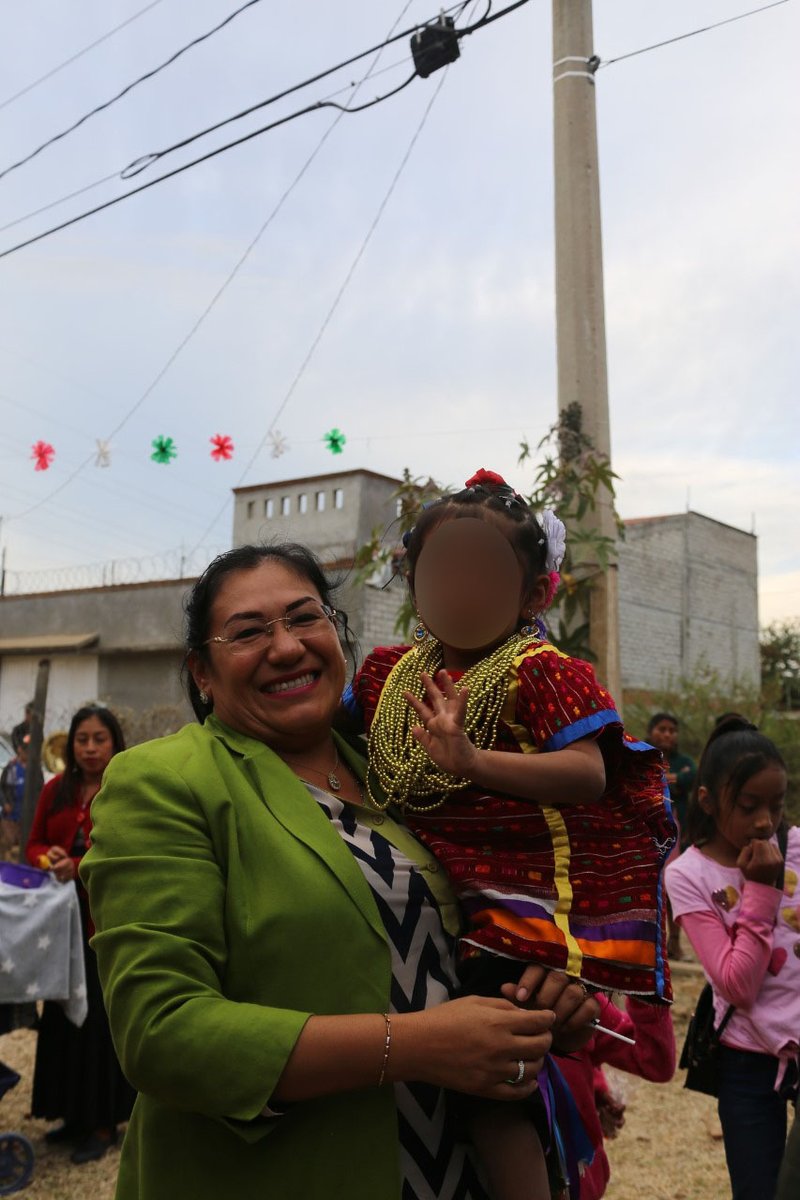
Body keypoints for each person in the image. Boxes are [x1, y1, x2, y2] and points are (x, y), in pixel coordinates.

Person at [80, 543, 598, 1200]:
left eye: (304, 618)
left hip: (458, 1171)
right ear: (201, 673)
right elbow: (161, 1033)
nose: (287, 647)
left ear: (337, 633)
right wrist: (414, 1045)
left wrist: (545, 1001)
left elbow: (478, 933)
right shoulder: (165, 781)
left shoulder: (409, 770)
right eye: (248, 632)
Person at [343, 469, 676, 1200]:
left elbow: (588, 773)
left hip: (516, 914)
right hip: (429, 895)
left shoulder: (544, 672)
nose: (460, 587)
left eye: (484, 572)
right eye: (442, 570)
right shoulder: (386, 675)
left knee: (494, 1092)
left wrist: (471, 761)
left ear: (533, 595)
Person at [665, 715, 798, 1200]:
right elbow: (736, 984)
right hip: (746, 1060)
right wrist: (762, 891)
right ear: (707, 800)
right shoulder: (688, 876)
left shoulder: (798, 847)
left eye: (777, 805)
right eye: (748, 806)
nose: (766, 821)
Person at [25, 704, 135, 1164]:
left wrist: (82, 868)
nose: (90, 748)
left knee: (98, 1025)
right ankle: (71, 1113)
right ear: (71, 745)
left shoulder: (128, 788)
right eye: (82, 739)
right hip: (60, 932)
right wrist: (50, 861)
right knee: (62, 1022)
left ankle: (104, 1122)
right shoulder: (56, 790)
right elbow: (32, 845)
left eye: (99, 739)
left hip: (103, 927)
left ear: (114, 743)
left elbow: (129, 851)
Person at [552, 993, 675, 1199]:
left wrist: (647, 987)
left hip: (582, 1182)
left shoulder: (576, 990)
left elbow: (654, 1060)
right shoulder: (485, 993)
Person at [646, 712, 697, 959]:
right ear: (651, 731)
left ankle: (674, 943)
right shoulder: (642, 755)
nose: (667, 734)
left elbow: (693, 778)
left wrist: (675, 778)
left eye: (672, 730)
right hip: (648, 833)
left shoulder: (684, 760)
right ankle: (652, 943)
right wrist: (674, 779)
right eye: (662, 729)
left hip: (676, 833)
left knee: (673, 886)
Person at [0, 734, 27, 860]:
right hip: (9, 817)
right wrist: (5, 803)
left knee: (22, 851)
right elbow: (1, 788)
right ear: (20, 749)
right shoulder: (11, 768)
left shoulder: (35, 769)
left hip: (26, 817)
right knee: (7, 848)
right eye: (25, 749)